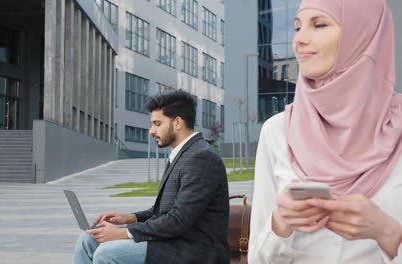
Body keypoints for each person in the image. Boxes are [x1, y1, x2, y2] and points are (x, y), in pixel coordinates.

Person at [248, 0, 402, 263]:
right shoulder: (277, 131)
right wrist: (280, 225)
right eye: (297, 28)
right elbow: (258, 258)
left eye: (319, 24)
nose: (299, 41)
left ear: (362, 34)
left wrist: (389, 233)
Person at [74, 90, 230, 264]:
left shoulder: (201, 157)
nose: (151, 131)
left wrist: (122, 232)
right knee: (87, 240)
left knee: (107, 253)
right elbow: (165, 212)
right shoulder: (183, 154)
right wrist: (130, 218)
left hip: (194, 250)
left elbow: (179, 220)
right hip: (173, 241)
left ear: (177, 122)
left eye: (157, 123)